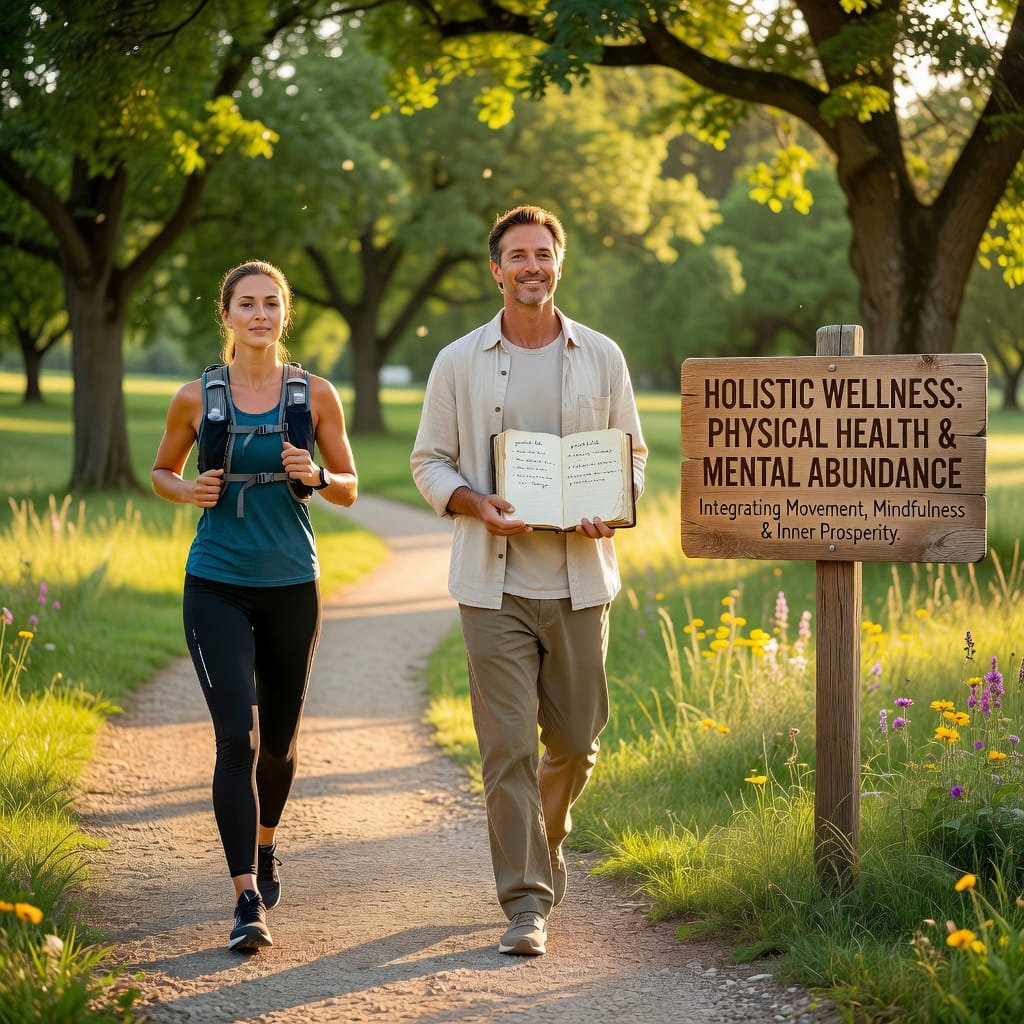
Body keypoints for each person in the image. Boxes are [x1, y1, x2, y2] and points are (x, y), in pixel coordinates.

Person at [410, 205, 647, 956]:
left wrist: (614, 505)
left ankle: (544, 842)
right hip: (493, 587)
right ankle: (525, 904)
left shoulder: (602, 355)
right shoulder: (458, 361)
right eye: (517, 255)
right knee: (507, 747)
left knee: (575, 743)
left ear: (559, 263)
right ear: (496, 269)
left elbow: (633, 455)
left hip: (580, 584)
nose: (531, 266)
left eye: (542, 254)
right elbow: (428, 461)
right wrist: (474, 503)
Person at [152, 258, 358, 951]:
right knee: (235, 739)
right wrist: (187, 491)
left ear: (284, 313)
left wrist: (317, 474)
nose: (260, 314)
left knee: (279, 743)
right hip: (215, 583)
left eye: (271, 303)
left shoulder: (315, 394)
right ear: (227, 315)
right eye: (247, 303)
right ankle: (245, 898)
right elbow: (161, 471)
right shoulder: (196, 397)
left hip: (292, 586)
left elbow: (350, 486)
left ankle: (266, 843)